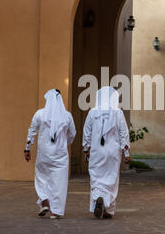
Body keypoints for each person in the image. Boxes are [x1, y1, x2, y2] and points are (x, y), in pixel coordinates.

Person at [24, 89, 76, 219]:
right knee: (59, 183)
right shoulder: (67, 116)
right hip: (60, 155)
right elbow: (72, 134)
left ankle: (45, 200)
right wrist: (66, 141)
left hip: (44, 154)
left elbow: (31, 131)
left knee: (41, 178)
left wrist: (27, 148)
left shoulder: (40, 114)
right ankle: (56, 211)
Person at [82, 86, 131, 219]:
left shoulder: (92, 112)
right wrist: (126, 153)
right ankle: (107, 209)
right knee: (111, 178)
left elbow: (87, 132)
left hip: (97, 151)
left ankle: (99, 197)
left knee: (96, 177)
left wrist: (86, 149)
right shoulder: (118, 113)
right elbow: (123, 133)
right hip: (113, 152)